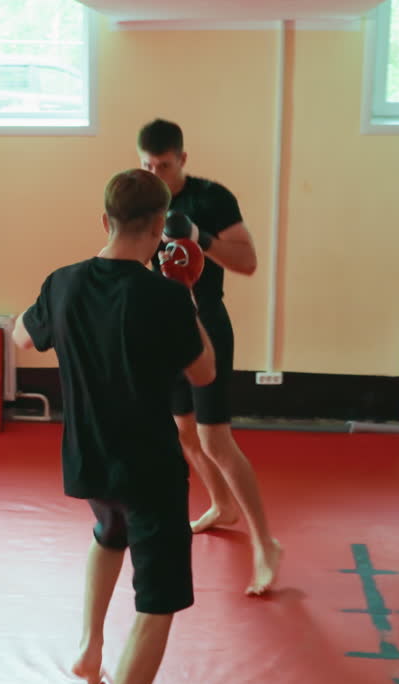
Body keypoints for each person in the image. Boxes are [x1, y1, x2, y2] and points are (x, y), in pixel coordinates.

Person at [13, 168, 216, 684]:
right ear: (159, 229)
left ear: (105, 220)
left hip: (89, 460)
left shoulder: (62, 282)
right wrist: (187, 297)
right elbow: (204, 373)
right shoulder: (165, 297)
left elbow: (22, 336)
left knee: (108, 535)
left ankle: (89, 649)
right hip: (148, 469)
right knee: (159, 602)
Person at [136, 118, 283, 596]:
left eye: (164, 165)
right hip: (163, 326)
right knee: (183, 431)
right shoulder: (142, 199)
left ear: (182, 159)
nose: (156, 173)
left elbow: (248, 262)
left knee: (215, 439)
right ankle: (222, 505)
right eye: (147, 165)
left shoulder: (212, 198)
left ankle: (266, 544)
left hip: (205, 325)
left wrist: (201, 237)